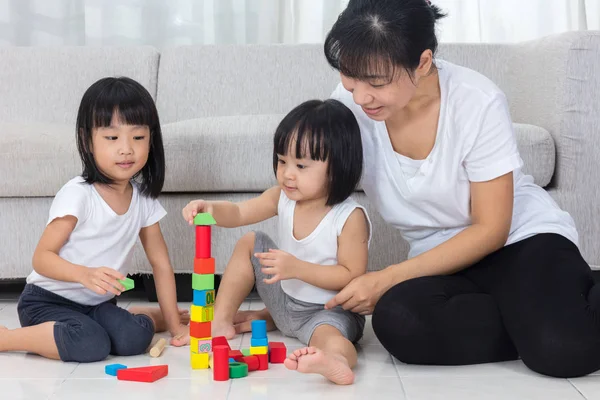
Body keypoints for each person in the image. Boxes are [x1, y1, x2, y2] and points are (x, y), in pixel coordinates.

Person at [244, 0, 600, 379]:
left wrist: (387, 277)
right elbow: (314, 190)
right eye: (350, 77)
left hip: (520, 241)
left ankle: (554, 320)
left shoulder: (476, 102)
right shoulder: (348, 108)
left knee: (563, 353)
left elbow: (492, 228)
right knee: (398, 324)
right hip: (439, 261)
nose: (361, 96)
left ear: (424, 62)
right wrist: (286, 305)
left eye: (376, 83)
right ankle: (539, 318)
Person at [0, 77, 190, 363]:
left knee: (134, 339)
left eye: (138, 137)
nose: (126, 149)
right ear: (88, 141)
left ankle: (157, 316)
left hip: (97, 304)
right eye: (112, 138)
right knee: (91, 345)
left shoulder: (143, 199)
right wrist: (83, 274)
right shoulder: (78, 195)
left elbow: (160, 264)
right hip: (46, 301)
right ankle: (7, 338)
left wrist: (176, 328)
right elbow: (41, 258)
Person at [182, 99, 371, 384]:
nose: (287, 173)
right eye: (282, 161)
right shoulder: (281, 196)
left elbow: (351, 276)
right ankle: (220, 321)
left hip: (325, 312)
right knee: (250, 241)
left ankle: (336, 361)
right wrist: (209, 208)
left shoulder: (348, 217)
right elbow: (240, 212)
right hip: (284, 302)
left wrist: (296, 268)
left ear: (338, 167)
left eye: (301, 165)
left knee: (330, 339)